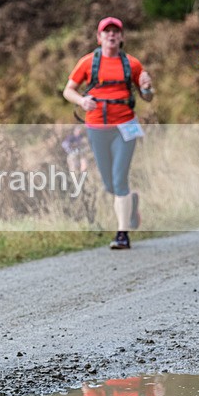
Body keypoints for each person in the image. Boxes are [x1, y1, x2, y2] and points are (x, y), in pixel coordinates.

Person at [63, 17, 154, 249]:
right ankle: (131, 204)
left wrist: (146, 88)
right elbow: (68, 91)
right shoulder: (87, 63)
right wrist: (82, 101)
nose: (111, 35)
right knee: (109, 184)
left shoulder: (132, 64)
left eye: (115, 32)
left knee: (119, 178)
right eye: (107, 32)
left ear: (121, 37)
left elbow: (147, 97)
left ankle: (122, 234)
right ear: (99, 37)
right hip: (96, 128)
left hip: (125, 127)